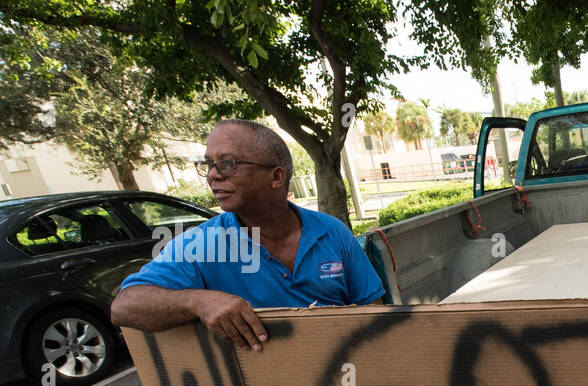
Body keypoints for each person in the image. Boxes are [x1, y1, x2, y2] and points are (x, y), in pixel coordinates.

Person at [112, 119, 384, 351]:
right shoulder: (203, 245)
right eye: (209, 164)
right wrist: (198, 301)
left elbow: (374, 311)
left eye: (228, 164)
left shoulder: (332, 231)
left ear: (276, 177)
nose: (213, 176)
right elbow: (124, 306)